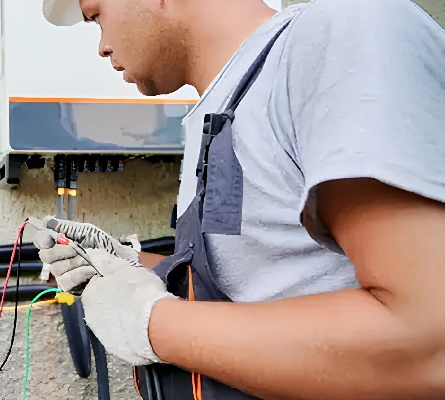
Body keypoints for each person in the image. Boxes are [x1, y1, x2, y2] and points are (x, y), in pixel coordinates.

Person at [29, 0, 445, 399]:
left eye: (96, 16)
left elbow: (429, 341)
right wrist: (130, 267)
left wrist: (151, 323)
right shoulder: (224, 111)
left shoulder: (339, 37)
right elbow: (266, 289)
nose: (101, 46)